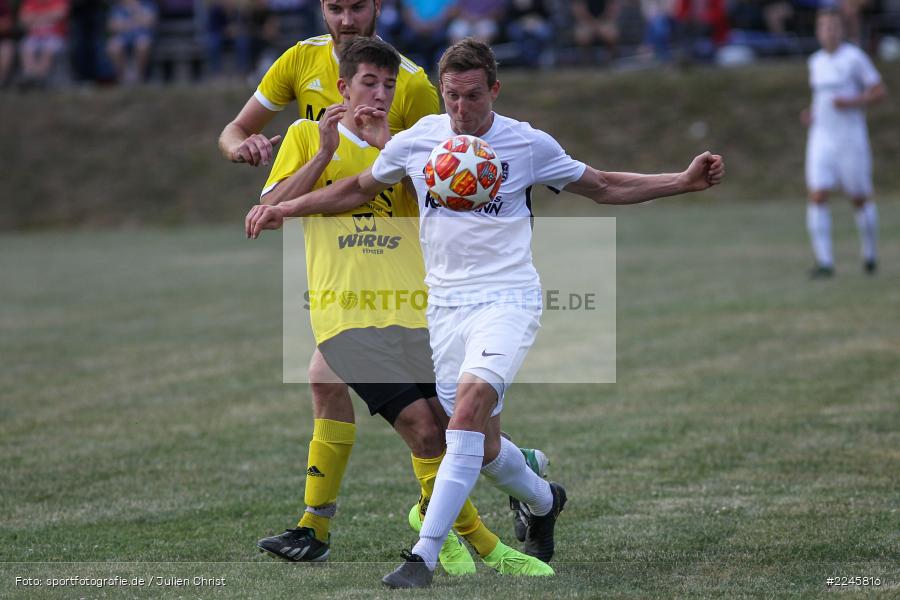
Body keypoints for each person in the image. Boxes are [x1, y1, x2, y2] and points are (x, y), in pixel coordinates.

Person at [245, 38, 726, 589]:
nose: (460, 110)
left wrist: (682, 182)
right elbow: (355, 189)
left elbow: (602, 185)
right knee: (478, 442)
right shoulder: (420, 138)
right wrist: (284, 206)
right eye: (451, 96)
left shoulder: (525, 143)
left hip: (507, 298)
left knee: (466, 412)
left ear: (493, 90)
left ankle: (420, 557)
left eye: (472, 96)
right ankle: (545, 501)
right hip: (444, 308)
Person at [252, 37, 554, 577]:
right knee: (418, 425)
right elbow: (272, 205)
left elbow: (444, 203)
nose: (379, 93)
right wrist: (323, 153)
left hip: (421, 308)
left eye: (389, 85)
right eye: (369, 82)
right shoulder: (306, 134)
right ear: (342, 88)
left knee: (454, 432)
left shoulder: (418, 145)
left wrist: (385, 142)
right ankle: (466, 544)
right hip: (346, 313)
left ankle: (502, 485)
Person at [802, 8, 886, 278]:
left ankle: (870, 255)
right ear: (818, 31)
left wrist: (851, 102)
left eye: (833, 27)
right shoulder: (815, 61)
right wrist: (812, 113)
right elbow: (822, 99)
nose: (828, 31)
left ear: (842, 30)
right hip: (821, 137)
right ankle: (825, 262)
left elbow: (878, 91)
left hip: (850, 139)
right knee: (817, 195)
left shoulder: (854, 58)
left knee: (859, 198)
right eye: (823, 27)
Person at [106, 0, 157, 83]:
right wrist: (136, 21)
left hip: (142, 35)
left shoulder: (148, 4)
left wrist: (125, 24)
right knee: (113, 46)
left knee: (142, 43)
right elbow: (112, 26)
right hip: (123, 37)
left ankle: (139, 77)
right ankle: (122, 78)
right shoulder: (118, 6)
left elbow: (149, 22)